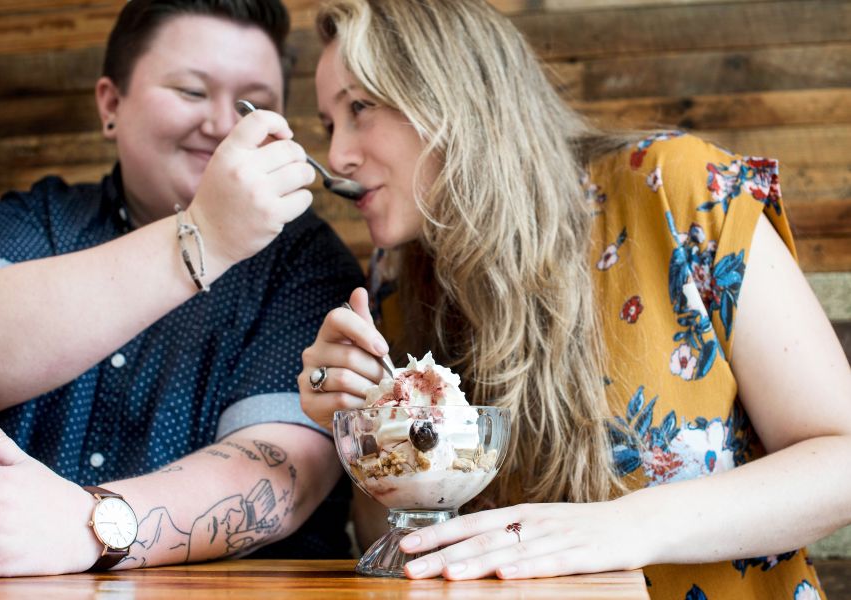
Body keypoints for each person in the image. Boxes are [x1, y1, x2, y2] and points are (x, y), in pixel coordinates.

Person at [298, 0, 851, 597]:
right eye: (331, 126)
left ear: (453, 94)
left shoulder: (678, 191)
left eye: (360, 107)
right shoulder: (396, 280)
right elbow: (404, 550)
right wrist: (367, 436)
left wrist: (624, 527)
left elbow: (841, 460)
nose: (337, 159)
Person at [0, 0, 363, 579]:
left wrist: (91, 526)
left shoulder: (305, 260)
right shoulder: (36, 219)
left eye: (254, 105)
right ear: (111, 105)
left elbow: (281, 477)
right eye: (192, 92)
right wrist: (204, 238)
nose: (223, 125)